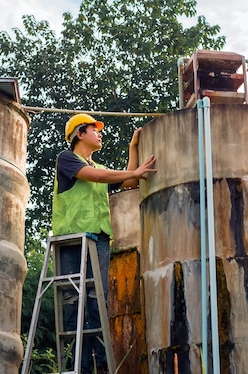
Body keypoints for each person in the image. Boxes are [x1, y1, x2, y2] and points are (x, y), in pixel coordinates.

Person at [52, 113, 156, 374]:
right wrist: (133, 171)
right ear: (79, 133)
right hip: (73, 240)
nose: (99, 133)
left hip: (98, 239)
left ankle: (100, 365)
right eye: (94, 129)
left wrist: (133, 150)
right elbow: (97, 177)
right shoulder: (67, 160)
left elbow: (129, 181)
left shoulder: (99, 168)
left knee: (98, 303)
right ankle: (80, 366)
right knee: (75, 304)